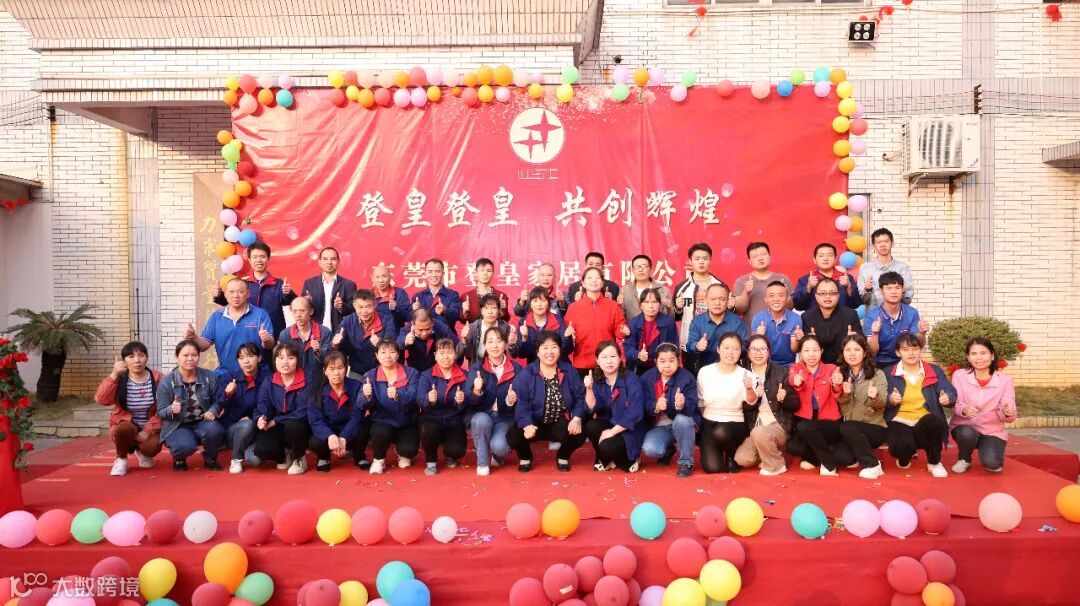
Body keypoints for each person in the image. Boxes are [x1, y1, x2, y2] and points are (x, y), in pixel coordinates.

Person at [507, 332, 588, 472]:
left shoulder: (569, 371)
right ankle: (525, 457)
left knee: (580, 432)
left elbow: (580, 396)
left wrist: (576, 418)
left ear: (560, 350)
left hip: (559, 421)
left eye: (554, 347)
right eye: (545, 348)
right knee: (513, 436)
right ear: (538, 352)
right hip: (534, 422)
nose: (550, 352)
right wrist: (526, 424)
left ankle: (563, 456)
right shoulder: (527, 373)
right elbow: (522, 402)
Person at [884, 333, 957, 478]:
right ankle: (904, 457)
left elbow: (949, 390)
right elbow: (880, 398)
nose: (911, 353)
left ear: (920, 350)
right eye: (905, 349)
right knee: (900, 445)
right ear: (898, 352)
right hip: (899, 420)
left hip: (925, 420)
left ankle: (934, 462)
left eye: (915, 348)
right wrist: (890, 399)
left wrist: (947, 397)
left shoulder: (934, 370)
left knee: (934, 422)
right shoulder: (888, 373)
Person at [733, 335, 799, 476]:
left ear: (769, 352)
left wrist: (784, 398)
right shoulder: (742, 374)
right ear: (748, 352)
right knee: (742, 459)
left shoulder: (781, 371)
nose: (758, 353)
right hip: (756, 426)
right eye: (754, 349)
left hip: (778, 424)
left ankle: (777, 465)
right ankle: (770, 452)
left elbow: (795, 403)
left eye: (763, 349)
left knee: (760, 433)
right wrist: (754, 397)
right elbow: (741, 407)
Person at [96, 341, 163, 477]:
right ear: (124, 360)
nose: (137, 360)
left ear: (147, 358)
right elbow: (102, 400)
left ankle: (143, 452)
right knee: (123, 429)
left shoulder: (158, 378)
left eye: (141, 355)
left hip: (149, 426)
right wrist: (114, 375)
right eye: (131, 356)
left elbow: (164, 408)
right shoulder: (120, 378)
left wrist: (148, 430)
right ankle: (121, 459)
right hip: (126, 424)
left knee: (152, 447)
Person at [950, 338, 1017, 473]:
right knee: (967, 433)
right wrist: (964, 409)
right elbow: (954, 402)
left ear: (992, 356)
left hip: (991, 430)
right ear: (968, 357)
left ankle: (988, 448)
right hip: (964, 428)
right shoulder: (959, 375)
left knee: (992, 464)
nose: (978, 358)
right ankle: (964, 458)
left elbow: (1009, 413)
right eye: (973, 354)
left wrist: (1007, 412)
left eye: (983, 353)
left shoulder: (1005, 381)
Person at [156, 340, 224, 471]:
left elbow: (218, 401)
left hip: (202, 421)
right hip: (177, 425)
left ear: (199, 357)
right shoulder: (166, 382)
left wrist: (212, 410)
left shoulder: (210, 377)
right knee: (184, 446)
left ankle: (210, 458)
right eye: (185, 355)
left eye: (194, 355)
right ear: (177, 357)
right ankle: (179, 458)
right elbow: (160, 411)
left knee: (215, 430)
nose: (190, 359)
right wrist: (171, 409)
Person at [187, 277, 274, 374]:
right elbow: (204, 345)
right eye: (231, 292)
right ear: (225, 294)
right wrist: (193, 337)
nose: (236, 295)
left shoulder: (260, 314)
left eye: (241, 292)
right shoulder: (216, 317)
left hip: (256, 374)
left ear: (248, 293)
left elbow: (270, 345)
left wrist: (266, 339)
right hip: (225, 374)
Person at [465, 328, 522, 476]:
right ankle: (483, 462)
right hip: (481, 415)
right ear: (485, 345)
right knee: (481, 421)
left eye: (499, 341)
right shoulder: (477, 368)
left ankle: (496, 454)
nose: (495, 346)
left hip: (504, 418)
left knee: (500, 447)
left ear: (505, 344)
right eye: (490, 342)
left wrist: (513, 400)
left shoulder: (516, 369)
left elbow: (525, 398)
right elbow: (468, 400)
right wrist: (476, 391)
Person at [785, 336, 845, 476]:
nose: (811, 354)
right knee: (792, 446)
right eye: (806, 350)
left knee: (804, 427)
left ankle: (828, 464)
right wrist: (796, 381)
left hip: (829, 422)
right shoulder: (796, 368)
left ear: (821, 351)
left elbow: (838, 392)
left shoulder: (832, 369)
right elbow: (792, 377)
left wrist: (837, 384)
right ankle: (816, 458)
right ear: (800, 353)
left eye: (815, 350)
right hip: (806, 420)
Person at [582, 341, 646, 473]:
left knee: (607, 446)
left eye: (612, 356)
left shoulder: (632, 379)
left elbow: (635, 412)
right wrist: (589, 389)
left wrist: (611, 432)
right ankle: (605, 458)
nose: (609, 361)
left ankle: (630, 460)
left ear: (620, 358)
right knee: (591, 426)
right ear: (597, 361)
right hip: (610, 422)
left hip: (628, 428)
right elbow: (592, 407)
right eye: (604, 357)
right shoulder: (598, 380)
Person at [697, 332, 756, 474]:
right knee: (712, 468)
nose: (731, 352)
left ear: (740, 351)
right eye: (726, 348)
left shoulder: (746, 375)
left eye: (735, 349)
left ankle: (731, 455)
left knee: (721, 431)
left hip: (734, 423)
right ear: (718, 349)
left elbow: (752, 401)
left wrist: (749, 388)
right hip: (709, 421)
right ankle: (716, 447)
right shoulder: (705, 372)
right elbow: (701, 402)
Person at [213, 241, 296, 338]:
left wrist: (287, 293)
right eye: (255, 257)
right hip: (247, 336)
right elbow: (231, 301)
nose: (259, 260)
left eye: (262, 256)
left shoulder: (279, 284)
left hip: (273, 335)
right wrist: (219, 295)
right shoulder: (243, 283)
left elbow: (293, 303)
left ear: (268, 259)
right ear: (249, 260)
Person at [833, 335, 889, 479]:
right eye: (848, 350)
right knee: (841, 457)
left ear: (864, 353)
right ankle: (862, 452)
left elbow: (882, 403)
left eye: (857, 349)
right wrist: (845, 393)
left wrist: (874, 397)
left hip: (874, 427)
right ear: (843, 353)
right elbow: (839, 403)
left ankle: (872, 465)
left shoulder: (878, 374)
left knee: (847, 427)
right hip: (850, 430)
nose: (852, 354)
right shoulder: (839, 374)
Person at [640, 343, 700, 478]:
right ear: (655, 362)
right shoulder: (647, 378)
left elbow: (693, 406)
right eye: (662, 361)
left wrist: (682, 404)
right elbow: (641, 403)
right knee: (650, 449)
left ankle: (686, 462)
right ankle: (668, 450)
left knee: (682, 421)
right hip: (659, 425)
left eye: (671, 361)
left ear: (678, 361)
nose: (667, 365)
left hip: (682, 423)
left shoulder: (687, 378)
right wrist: (655, 406)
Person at [362, 339, 421, 474]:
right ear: (377, 355)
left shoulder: (412, 373)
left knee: (409, 450)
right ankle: (378, 459)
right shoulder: (370, 375)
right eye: (383, 352)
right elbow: (363, 405)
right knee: (379, 433)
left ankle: (401, 452)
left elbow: (414, 398)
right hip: (382, 420)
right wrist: (366, 396)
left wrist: (398, 395)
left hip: (406, 421)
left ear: (398, 354)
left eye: (392, 352)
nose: (388, 356)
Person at [253, 342, 311, 475]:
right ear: (274, 361)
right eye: (280, 358)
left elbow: (304, 410)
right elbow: (262, 405)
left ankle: (299, 457)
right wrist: (261, 418)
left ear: (297, 360)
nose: (285, 362)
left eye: (290, 358)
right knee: (262, 449)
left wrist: (276, 420)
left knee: (294, 426)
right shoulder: (269, 380)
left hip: (301, 425)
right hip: (277, 425)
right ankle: (284, 455)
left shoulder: (308, 378)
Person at [306, 352, 366, 473]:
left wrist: (344, 437)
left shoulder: (357, 386)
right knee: (315, 442)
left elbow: (357, 416)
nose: (336, 373)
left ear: (346, 369)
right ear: (325, 371)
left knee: (363, 429)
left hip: (349, 429)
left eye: (340, 368)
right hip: (329, 429)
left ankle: (360, 456)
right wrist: (330, 435)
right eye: (332, 369)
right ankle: (323, 458)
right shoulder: (316, 390)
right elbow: (316, 420)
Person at [564, 266, 629, 376]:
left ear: (602, 283)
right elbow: (566, 337)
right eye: (589, 278)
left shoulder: (613, 306)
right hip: (582, 362)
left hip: (607, 363)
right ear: (583, 283)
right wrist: (569, 335)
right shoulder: (573, 308)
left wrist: (624, 330)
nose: (593, 280)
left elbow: (620, 329)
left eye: (597, 278)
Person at [417, 339, 469, 475]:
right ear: (435, 356)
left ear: (455, 354)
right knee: (428, 429)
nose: (446, 357)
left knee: (457, 451)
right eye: (441, 353)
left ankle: (450, 455)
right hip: (432, 418)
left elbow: (469, 401)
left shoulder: (465, 375)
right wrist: (428, 398)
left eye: (449, 352)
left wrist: (460, 401)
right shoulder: (426, 375)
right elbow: (419, 399)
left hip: (454, 420)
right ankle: (431, 461)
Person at [213, 343, 268, 474]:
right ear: (238, 361)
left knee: (255, 460)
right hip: (234, 429)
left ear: (259, 358)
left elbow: (269, 404)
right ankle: (236, 459)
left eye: (250, 356)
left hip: (257, 429)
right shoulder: (229, 378)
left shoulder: (267, 378)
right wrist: (228, 394)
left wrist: (255, 419)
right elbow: (219, 404)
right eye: (241, 358)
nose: (246, 361)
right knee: (246, 425)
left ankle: (248, 446)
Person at [863, 272, 928, 366]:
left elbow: (919, 346)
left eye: (897, 288)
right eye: (889, 288)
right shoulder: (872, 315)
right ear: (881, 291)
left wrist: (922, 333)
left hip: (904, 361)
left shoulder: (912, 313)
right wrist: (875, 334)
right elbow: (872, 352)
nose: (894, 292)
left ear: (903, 289)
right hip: (879, 363)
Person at [799, 278, 862, 365]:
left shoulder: (851, 315)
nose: (827, 296)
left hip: (845, 365)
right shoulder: (807, 317)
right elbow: (804, 349)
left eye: (832, 293)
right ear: (816, 296)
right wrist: (808, 340)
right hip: (817, 366)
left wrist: (854, 339)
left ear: (838, 295)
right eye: (823, 293)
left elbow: (862, 344)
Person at [334, 289, 396, 378]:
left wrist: (380, 343)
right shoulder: (347, 321)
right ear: (354, 306)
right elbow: (334, 346)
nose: (364, 311)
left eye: (368, 307)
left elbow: (393, 345)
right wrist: (335, 344)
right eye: (360, 307)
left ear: (375, 305)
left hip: (382, 370)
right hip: (356, 371)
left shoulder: (386, 320)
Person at [674, 243, 724, 347]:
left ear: (710, 260)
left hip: (716, 341)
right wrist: (678, 308)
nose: (701, 262)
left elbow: (728, 313)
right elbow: (676, 317)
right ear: (690, 261)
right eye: (697, 259)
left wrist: (731, 307)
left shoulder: (720, 285)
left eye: (705, 259)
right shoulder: (682, 288)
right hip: (690, 341)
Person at [686, 283, 746, 369]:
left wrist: (733, 348)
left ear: (727, 301)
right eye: (713, 299)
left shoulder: (737, 322)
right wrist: (697, 346)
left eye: (722, 299)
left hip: (731, 368)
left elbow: (744, 347)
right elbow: (689, 347)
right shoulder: (697, 322)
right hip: (704, 368)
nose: (717, 303)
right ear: (705, 300)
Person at [733, 242, 794, 323]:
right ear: (750, 261)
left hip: (780, 328)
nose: (760, 258)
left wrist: (786, 295)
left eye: (763, 254)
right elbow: (739, 311)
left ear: (769, 257)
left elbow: (790, 308)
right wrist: (746, 292)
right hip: (752, 329)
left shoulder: (783, 279)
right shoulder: (741, 281)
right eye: (755, 256)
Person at [301, 247, 358, 333]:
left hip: (340, 333)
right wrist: (307, 302)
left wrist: (342, 306)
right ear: (320, 262)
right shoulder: (309, 283)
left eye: (333, 259)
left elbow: (355, 309)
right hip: (315, 332)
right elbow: (303, 309)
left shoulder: (349, 285)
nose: (329, 262)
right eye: (325, 259)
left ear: (338, 262)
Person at [623, 288, 679, 374]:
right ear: (641, 306)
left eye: (654, 302)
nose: (651, 306)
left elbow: (674, 347)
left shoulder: (668, 322)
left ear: (659, 304)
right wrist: (638, 354)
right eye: (647, 302)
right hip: (638, 366)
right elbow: (628, 349)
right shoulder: (633, 323)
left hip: (662, 366)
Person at [748, 281, 803, 367]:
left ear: (787, 298)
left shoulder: (795, 318)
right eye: (771, 296)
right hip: (764, 364)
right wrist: (758, 336)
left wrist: (797, 339)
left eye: (780, 295)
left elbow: (794, 350)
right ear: (766, 300)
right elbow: (753, 349)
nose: (776, 299)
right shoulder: (758, 318)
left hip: (788, 364)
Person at [277, 297, 331, 382]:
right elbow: (280, 361)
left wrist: (319, 351)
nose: (298, 315)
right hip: (294, 382)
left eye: (302, 311)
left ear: (311, 311)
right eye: (295, 311)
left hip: (319, 382)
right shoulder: (285, 335)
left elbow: (330, 361)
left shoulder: (324, 332)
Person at [793, 243, 860, 312]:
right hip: (814, 319)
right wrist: (808, 287)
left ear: (835, 259)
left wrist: (848, 287)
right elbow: (798, 306)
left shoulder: (846, 279)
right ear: (815, 260)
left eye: (829, 255)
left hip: (842, 318)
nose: (825, 259)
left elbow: (856, 304)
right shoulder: (805, 280)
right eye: (821, 256)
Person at [858, 227, 915, 308]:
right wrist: (867, 290)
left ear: (892, 244)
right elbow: (862, 300)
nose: (883, 245)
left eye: (886, 241)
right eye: (879, 242)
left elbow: (907, 300)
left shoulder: (902, 268)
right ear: (874, 246)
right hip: (873, 314)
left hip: (897, 314)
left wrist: (902, 291)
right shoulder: (865, 268)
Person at [516, 286, 575, 364]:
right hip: (535, 367)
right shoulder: (523, 322)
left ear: (548, 304)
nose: (539, 304)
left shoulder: (557, 320)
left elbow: (567, 350)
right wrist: (524, 339)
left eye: (543, 301)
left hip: (558, 364)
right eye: (535, 301)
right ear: (530, 304)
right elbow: (521, 354)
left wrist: (567, 338)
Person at [460, 294, 518, 365]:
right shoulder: (473, 327)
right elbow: (462, 354)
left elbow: (514, 355)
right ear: (481, 311)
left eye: (494, 308)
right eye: (486, 308)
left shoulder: (505, 326)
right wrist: (464, 340)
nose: (490, 312)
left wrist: (511, 345)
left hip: (499, 365)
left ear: (499, 311)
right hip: (478, 366)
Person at [397, 308, 459, 372]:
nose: (424, 333)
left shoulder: (442, 328)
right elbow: (397, 344)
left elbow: (457, 345)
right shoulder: (407, 328)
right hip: (415, 368)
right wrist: (405, 341)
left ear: (433, 322)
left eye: (428, 329)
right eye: (420, 330)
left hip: (437, 369)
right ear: (413, 324)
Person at [411, 258, 462, 328]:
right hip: (424, 334)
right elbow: (411, 321)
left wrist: (445, 310)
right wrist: (413, 310)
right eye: (430, 271)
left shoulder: (453, 295)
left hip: (446, 334)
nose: (434, 275)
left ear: (443, 273)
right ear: (425, 273)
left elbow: (458, 315)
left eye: (437, 271)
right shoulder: (418, 297)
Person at [619, 255, 673, 319]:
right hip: (632, 325)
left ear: (651, 270)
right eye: (637, 267)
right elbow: (621, 317)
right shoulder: (624, 291)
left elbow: (671, 317)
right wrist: (618, 305)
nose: (641, 270)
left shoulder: (663, 290)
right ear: (633, 270)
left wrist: (669, 308)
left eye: (644, 266)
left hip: (659, 325)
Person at [461, 257, 512, 323]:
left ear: (493, 274)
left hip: (495, 329)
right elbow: (463, 321)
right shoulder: (466, 296)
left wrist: (502, 311)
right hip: (474, 329)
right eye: (482, 270)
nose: (485, 273)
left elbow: (505, 320)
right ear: (476, 273)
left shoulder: (501, 296)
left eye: (488, 271)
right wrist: (465, 313)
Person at [371, 265, 412, 329]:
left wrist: (396, 309)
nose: (380, 280)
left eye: (384, 276)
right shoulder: (369, 295)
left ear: (390, 277)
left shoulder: (400, 293)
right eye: (377, 277)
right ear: (372, 279)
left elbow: (408, 317)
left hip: (396, 333)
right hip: (374, 332)